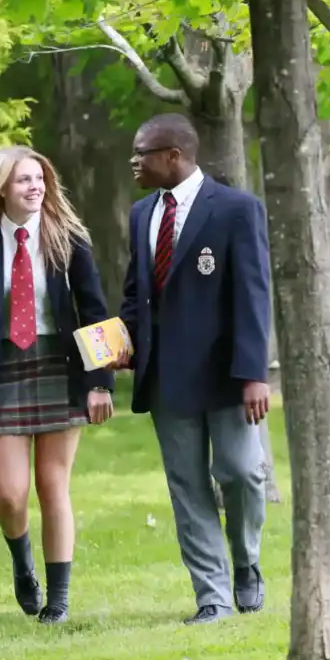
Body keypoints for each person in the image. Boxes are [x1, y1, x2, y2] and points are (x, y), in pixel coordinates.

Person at [112, 113, 272, 625]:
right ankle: (214, 597)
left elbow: (252, 295)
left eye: (143, 153)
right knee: (188, 488)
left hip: (227, 375)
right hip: (166, 378)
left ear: (174, 155)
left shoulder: (236, 210)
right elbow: (137, 294)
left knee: (242, 473)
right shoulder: (141, 214)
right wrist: (123, 342)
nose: (134, 162)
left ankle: (246, 562)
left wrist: (253, 374)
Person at [0, 147, 115, 625]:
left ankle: (58, 599)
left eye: (40, 179)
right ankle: (22, 561)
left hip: (60, 369)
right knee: (10, 495)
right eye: (24, 180)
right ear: (3, 187)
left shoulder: (69, 238)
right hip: (2, 373)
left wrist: (99, 383)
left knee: (52, 484)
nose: (35, 187)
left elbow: (95, 312)